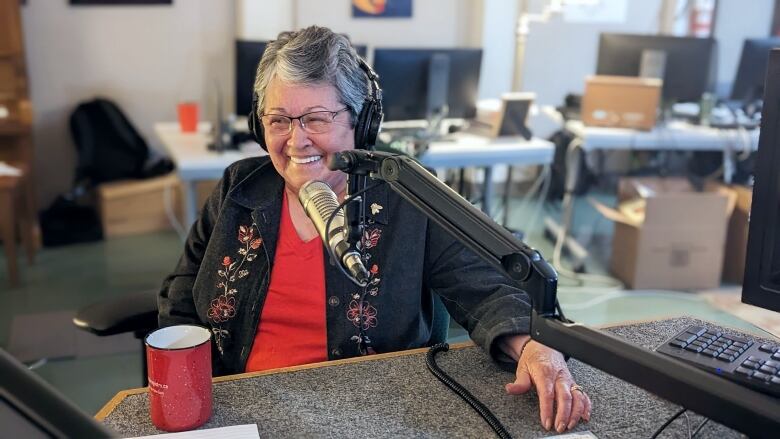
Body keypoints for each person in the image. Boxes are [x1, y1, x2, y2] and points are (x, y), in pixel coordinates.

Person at [158, 25, 591, 433]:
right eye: (279, 120)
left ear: (359, 123)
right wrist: (191, 395)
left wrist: (532, 344)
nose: (296, 140)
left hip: (371, 412)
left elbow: (488, 285)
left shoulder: (407, 197)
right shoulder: (239, 189)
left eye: (317, 118)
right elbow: (183, 289)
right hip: (240, 410)